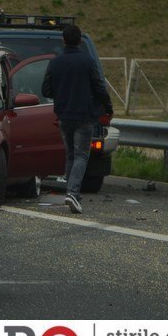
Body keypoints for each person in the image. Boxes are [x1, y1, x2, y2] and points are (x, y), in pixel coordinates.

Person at [42, 24, 112, 214]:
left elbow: (45, 90)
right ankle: (72, 193)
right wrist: (108, 107)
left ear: (63, 40)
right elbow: (99, 87)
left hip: (63, 116)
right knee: (82, 155)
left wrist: (61, 94)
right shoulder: (87, 61)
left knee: (71, 154)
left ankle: (71, 191)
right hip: (84, 116)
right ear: (80, 41)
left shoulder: (55, 62)